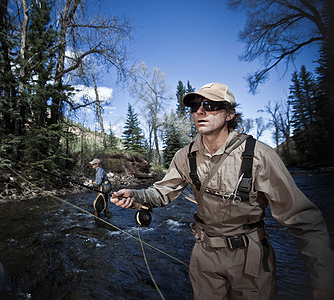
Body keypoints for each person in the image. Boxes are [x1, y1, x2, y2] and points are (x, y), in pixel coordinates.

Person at [111, 82, 334, 300]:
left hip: (251, 259)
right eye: (195, 106)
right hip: (204, 256)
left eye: (210, 105)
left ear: (229, 114)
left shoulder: (260, 156)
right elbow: (162, 191)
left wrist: (324, 281)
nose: (200, 111)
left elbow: (303, 220)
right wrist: (137, 196)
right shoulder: (184, 156)